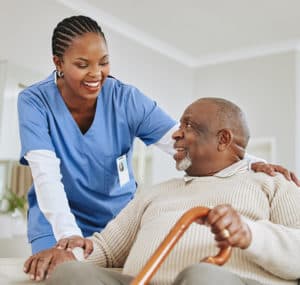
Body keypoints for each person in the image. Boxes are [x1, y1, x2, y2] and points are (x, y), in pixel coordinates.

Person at [18, 15, 298, 255]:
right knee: (60, 274)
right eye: (82, 64)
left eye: (103, 62)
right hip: (56, 222)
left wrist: (248, 161)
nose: (96, 74)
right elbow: (46, 174)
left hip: (117, 223)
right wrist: (68, 234)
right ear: (58, 62)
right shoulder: (34, 102)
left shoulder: (125, 100)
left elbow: (184, 140)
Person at [24, 98, 300, 285]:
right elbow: (107, 249)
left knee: (204, 276)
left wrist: (250, 234)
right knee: (71, 274)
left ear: (223, 139)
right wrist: (69, 255)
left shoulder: (272, 183)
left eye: (188, 126)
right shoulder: (156, 193)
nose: (176, 135)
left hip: (218, 280)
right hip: (142, 280)